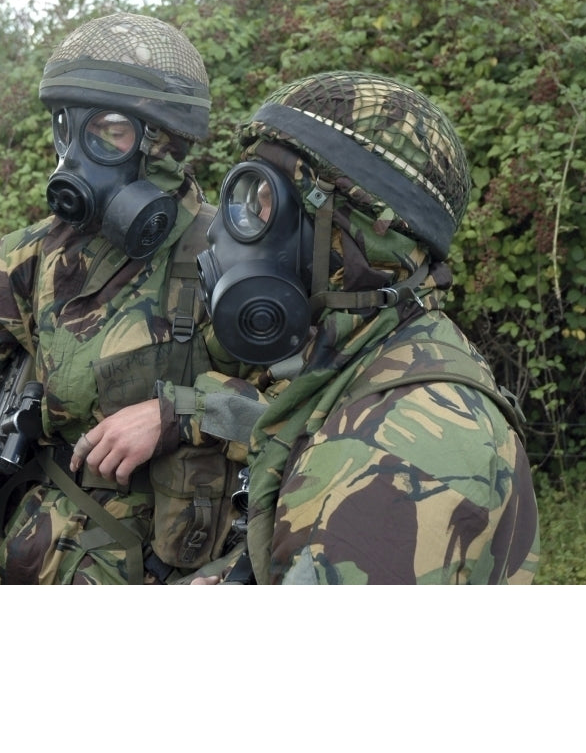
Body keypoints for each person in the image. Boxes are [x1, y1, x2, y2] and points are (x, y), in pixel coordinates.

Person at [0, 11, 249, 585]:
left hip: (173, 564)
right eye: (67, 127)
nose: (75, 153)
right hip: (35, 551)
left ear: (160, 140)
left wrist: (179, 413)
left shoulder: (229, 258)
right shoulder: (32, 257)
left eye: (107, 129)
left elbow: (300, 407)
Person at [192, 70, 540, 584]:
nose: (229, 229)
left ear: (350, 240)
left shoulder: (394, 462)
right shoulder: (382, 355)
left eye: (264, 202)